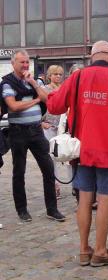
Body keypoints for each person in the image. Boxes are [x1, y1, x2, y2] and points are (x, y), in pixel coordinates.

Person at [47, 41, 108, 267]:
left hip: (82, 150)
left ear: (92, 57)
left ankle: (83, 250)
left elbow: (55, 106)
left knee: (84, 199)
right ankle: (100, 251)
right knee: (105, 199)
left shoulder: (78, 77)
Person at [0, 49, 65, 222]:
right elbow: (13, 106)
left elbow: (47, 99)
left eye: (27, 62)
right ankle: (22, 210)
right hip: (18, 132)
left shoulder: (34, 81)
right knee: (19, 172)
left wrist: (34, 84)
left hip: (36, 131)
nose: (25, 65)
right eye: (22, 62)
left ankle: (52, 209)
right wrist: (35, 100)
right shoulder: (7, 83)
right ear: (13, 63)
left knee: (48, 169)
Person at [41, 65, 64, 199]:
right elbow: (39, 107)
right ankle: (54, 186)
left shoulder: (64, 89)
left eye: (60, 74)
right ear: (50, 75)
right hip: (49, 126)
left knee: (66, 156)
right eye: (55, 74)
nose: (58, 76)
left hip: (63, 128)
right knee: (50, 158)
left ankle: (75, 186)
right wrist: (40, 122)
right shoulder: (44, 89)